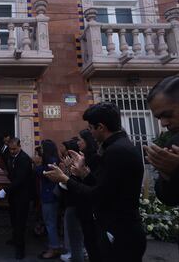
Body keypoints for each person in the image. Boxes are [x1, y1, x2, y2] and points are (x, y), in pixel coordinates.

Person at [45, 102, 146, 262]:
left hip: (119, 232)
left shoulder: (117, 151)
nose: (90, 133)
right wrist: (84, 173)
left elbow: (98, 194)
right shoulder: (114, 147)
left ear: (100, 127)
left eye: (91, 128)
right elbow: (105, 186)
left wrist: (64, 178)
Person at [144, 76, 179, 262]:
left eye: (168, 114)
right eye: (158, 118)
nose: (163, 123)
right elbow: (169, 198)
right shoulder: (176, 141)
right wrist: (167, 176)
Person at [0, 138, 33, 260]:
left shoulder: (24, 159)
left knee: (20, 223)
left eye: (14, 149)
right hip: (14, 196)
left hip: (22, 196)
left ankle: (20, 250)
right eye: (10, 149)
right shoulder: (12, 156)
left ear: (20, 146)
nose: (11, 151)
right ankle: (14, 239)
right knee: (14, 220)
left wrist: (5, 190)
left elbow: (19, 180)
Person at [75, 129, 102, 262]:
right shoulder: (83, 157)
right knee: (89, 242)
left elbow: (96, 185)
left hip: (92, 209)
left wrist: (79, 173)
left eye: (80, 139)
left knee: (94, 245)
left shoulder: (95, 158)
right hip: (84, 208)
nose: (78, 142)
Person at [35, 140, 62, 259]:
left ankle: (54, 248)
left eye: (42, 148)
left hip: (50, 196)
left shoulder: (51, 162)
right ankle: (53, 245)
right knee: (50, 222)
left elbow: (45, 173)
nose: (40, 150)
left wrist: (37, 165)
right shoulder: (51, 160)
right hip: (48, 196)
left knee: (50, 222)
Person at [59, 138, 85, 262]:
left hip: (74, 201)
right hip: (72, 200)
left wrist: (66, 172)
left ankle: (75, 254)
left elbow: (73, 180)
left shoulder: (79, 160)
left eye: (82, 139)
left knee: (75, 234)